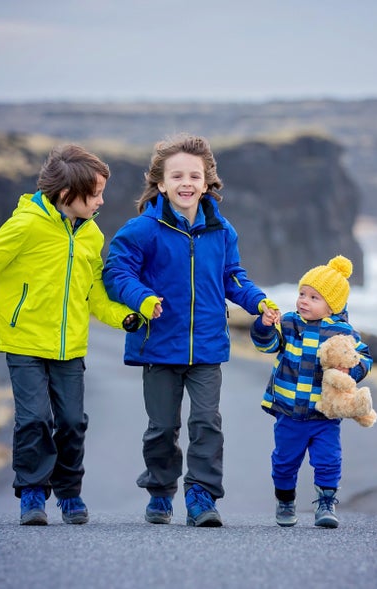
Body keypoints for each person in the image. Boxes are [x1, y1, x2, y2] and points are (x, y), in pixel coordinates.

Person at [0, 144, 141, 526]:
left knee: (73, 421)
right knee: (35, 419)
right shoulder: (25, 225)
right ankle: (33, 493)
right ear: (65, 195)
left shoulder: (91, 236)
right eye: (94, 194)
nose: (101, 201)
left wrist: (125, 317)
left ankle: (70, 493)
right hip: (23, 342)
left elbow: (94, 292)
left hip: (70, 346)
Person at [103, 133, 280, 527]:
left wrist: (258, 302)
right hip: (158, 346)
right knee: (163, 427)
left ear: (206, 182)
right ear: (161, 183)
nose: (187, 183)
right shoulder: (142, 229)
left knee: (206, 422)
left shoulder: (221, 230)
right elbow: (116, 272)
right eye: (177, 175)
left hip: (207, 347)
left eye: (195, 176)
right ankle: (161, 491)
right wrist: (143, 299)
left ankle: (201, 496)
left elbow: (233, 277)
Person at [250, 255, 372, 528]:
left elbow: (364, 358)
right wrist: (264, 326)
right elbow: (266, 345)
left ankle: (326, 504)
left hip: (324, 414)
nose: (303, 300)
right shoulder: (290, 324)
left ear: (332, 305)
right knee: (284, 463)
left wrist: (350, 371)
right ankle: (285, 500)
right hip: (289, 411)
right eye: (302, 293)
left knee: (329, 460)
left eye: (314, 297)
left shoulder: (343, 332)